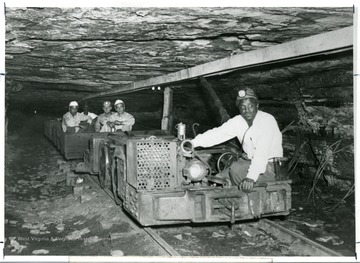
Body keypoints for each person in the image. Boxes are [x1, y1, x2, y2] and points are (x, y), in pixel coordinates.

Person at [191, 88, 283, 193]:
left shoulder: (267, 120)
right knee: (216, 179)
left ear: (257, 105)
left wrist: (251, 177)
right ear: (239, 108)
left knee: (235, 169)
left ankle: (241, 205)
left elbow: (261, 153)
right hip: (248, 163)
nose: (247, 110)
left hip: (269, 168)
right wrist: (192, 143)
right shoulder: (239, 121)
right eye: (243, 107)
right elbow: (217, 134)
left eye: (250, 106)